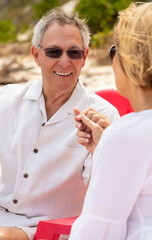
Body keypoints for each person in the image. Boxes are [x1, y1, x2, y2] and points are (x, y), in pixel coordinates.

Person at [0, 8, 119, 240]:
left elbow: (103, 199)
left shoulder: (102, 116)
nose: (64, 61)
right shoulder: (6, 99)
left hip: (47, 226)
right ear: (36, 55)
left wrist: (100, 148)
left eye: (74, 53)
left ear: (85, 57)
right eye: (53, 52)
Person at [69, 2, 152, 240]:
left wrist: (110, 147)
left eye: (114, 50)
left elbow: (96, 232)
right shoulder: (122, 136)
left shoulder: (127, 135)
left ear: (129, 61)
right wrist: (103, 149)